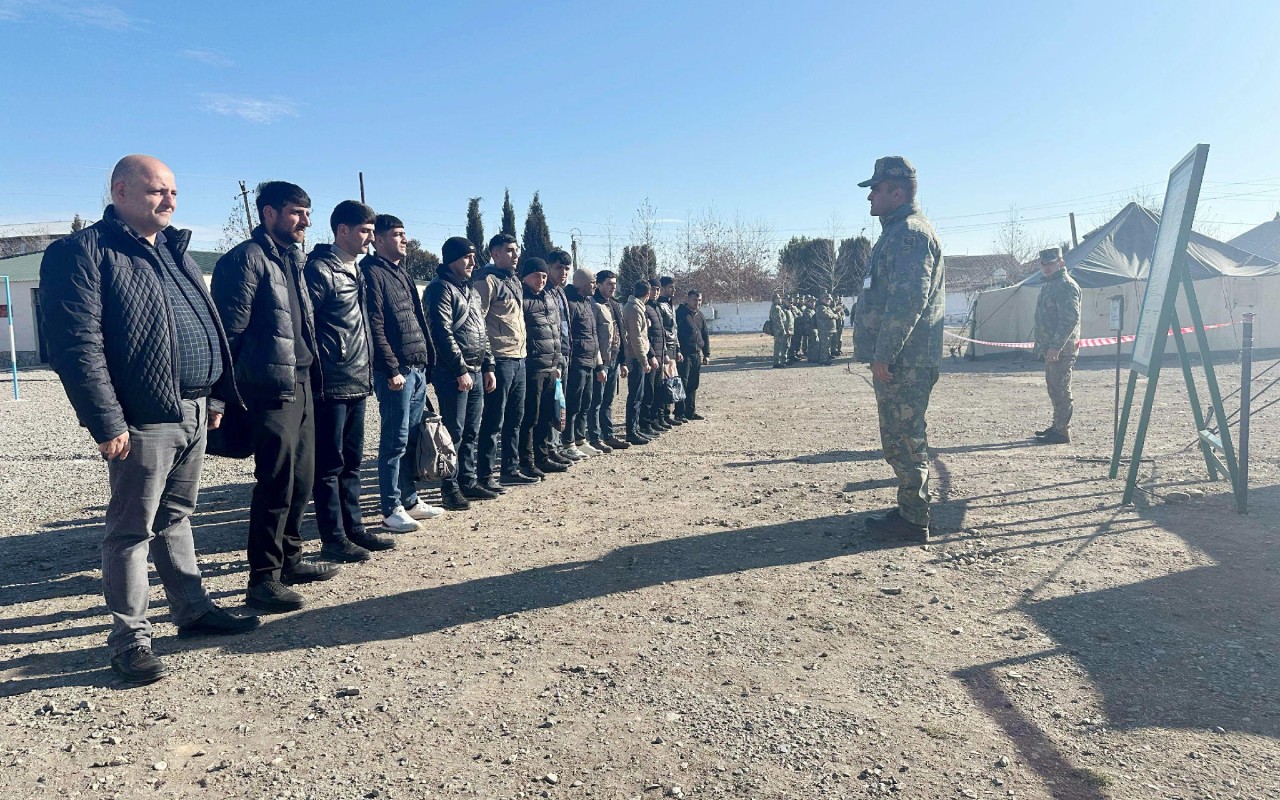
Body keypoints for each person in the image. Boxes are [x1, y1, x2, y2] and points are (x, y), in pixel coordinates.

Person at [41, 155, 258, 684]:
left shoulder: (173, 252)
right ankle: (130, 641)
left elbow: (205, 325)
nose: (170, 201)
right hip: (141, 419)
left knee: (176, 516)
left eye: (174, 193)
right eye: (158, 191)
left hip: (192, 408)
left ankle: (192, 611)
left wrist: (216, 396)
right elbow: (78, 345)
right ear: (120, 190)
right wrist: (106, 421)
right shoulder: (82, 253)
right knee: (130, 531)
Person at [213, 181, 341, 614]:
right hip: (268, 389)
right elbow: (228, 334)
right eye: (296, 212)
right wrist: (221, 397)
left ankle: (291, 559)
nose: (306, 220)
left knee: (302, 477)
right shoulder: (245, 260)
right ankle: (263, 578)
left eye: (308, 212)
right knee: (276, 481)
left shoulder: (292, 259)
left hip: (301, 382)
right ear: (268, 213)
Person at [853, 156, 945, 542]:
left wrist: (885, 352)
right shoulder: (895, 233)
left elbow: (909, 300)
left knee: (905, 439)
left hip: (905, 360)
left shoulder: (910, 235)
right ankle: (910, 510)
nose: (870, 196)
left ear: (898, 191)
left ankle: (913, 520)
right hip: (901, 358)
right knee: (899, 438)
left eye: (876, 188)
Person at [303, 201, 391, 563]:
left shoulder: (356, 270)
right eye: (365, 231)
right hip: (332, 380)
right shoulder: (321, 271)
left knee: (353, 460)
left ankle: (354, 529)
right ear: (342, 230)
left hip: (357, 377)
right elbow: (307, 325)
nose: (371, 238)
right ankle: (334, 537)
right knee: (329, 464)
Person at [362, 214, 443, 533]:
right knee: (394, 440)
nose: (404, 239)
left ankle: (409, 500)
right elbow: (376, 325)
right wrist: (391, 368)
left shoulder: (402, 274)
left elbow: (419, 320)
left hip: (417, 368)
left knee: (411, 437)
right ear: (378, 240)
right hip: (396, 373)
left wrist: (429, 361)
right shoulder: (371, 273)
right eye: (397, 234)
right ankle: (390, 507)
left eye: (404, 234)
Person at [424, 237, 497, 508]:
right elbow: (441, 333)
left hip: (476, 370)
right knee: (453, 431)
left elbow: (482, 331)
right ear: (451, 259)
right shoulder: (440, 289)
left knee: (471, 430)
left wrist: (488, 365)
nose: (473, 262)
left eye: (473, 256)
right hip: (454, 372)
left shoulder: (471, 291)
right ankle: (450, 486)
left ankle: (468, 480)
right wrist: (459, 369)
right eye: (466, 256)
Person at [474, 233, 536, 489]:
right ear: (495, 253)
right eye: (509, 250)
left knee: (515, 418)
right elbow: (479, 323)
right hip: (499, 359)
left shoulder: (514, 281)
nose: (515, 254)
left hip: (519, 357)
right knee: (493, 421)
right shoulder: (486, 281)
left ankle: (510, 469)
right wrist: (488, 362)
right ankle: (485, 475)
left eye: (516, 250)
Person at [518, 257, 564, 476]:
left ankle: (542, 456)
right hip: (532, 366)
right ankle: (526, 462)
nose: (541, 280)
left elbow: (556, 332)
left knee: (546, 414)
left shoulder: (549, 299)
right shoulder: (521, 298)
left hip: (551, 365)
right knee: (530, 417)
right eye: (537, 275)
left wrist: (559, 361)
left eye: (544, 276)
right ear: (526, 276)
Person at [1031, 247, 1081, 444]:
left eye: (1050, 264)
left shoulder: (1065, 285)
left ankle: (1061, 432)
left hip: (1062, 348)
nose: (1046, 268)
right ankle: (1057, 425)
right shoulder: (1051, 285)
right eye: (1043, 265)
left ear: (1060, 263)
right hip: (1051, 348)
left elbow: (1070, 319)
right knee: (1054, 388)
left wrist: (1056, 346)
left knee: (1061, 389)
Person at [561, 269, 608, 456]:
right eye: (592, 282)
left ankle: (581, 440)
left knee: (585, 403)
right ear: (581, 284)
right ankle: (568, 443)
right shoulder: (570, 303)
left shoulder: (587, 303)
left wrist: (598, 364)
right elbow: (567, 334)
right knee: (573, 404)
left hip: (590, 360)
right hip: (576, 362)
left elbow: (593, 335)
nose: (594, 286)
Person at [591, 270, 631, 451]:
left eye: (614, 284)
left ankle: (608, 435)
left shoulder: (615, 305)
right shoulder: (593, 304)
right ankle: (594, 437)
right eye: (609, 284)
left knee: (608, 400)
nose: (612, 287)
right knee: (596, 401)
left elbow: (621, 334)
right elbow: (592, 335)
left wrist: (623, 361)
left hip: (615, 359)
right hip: (601, 361)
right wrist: (599, 363)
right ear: (598, 285)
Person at [544, 249, 577, 464]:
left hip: (565, 353)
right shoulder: (544, 292)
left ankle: (556, 446)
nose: (563, 273)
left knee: (560, 404)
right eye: (559, 268)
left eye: (566, 269)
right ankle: (548, 449)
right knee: (550, 406)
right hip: (551, 357)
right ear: (548, 267)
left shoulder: (560, 292)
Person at [622, 280, 657, 445]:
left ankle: (635, 429)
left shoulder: (636, 307)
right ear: (648, 294)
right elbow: (635, 338)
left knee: (639, 395)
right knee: (635, 396)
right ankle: (632, 431)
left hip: (638, 356)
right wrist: (644, 360)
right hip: (636, 358)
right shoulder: (634, 309)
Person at [675, 289, 711, 421]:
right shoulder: (680, 314)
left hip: (696, 354)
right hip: (684, 354)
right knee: (682, 383)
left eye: (700, 300)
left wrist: (706, 353)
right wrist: (677, 351)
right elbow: (675, 334)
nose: (697, 302)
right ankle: (679, 412)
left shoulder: (700, 315)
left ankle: (690, 411)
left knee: (693, 383)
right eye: (695, 300)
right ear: (688, 299)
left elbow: (705, 335)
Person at [643, 281, 669, 436]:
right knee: (649, 391)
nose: (656, 292)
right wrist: (651, 354)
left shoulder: (657, 307)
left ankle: (658, 418)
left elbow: (662, 334)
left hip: (660, 355)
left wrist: (664, 353)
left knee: (659, 390)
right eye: (653, 289)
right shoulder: (645, 308)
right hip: (651, 356)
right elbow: (647, 336)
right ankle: (647, 423)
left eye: (658, 289)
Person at [656, 276, 683, 426]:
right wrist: (665, 351)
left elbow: (674, 328)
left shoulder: (670, 304)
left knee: (671, 381)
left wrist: (678, 348)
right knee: (664, 382)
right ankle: (662, 415)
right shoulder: (660, 305)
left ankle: (667, 413)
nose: (674, 290)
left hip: (673, 346)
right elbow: (662, 330)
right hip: (665, 348)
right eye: (671, 287)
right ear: (664, 288)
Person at [769, 291, 791, 368]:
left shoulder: (776, 307)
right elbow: (778, 320)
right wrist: (783, 329)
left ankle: (781, 361)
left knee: (781, 345)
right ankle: (777, 362)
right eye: (779, 298)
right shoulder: (776, 308)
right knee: (778, 346)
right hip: (779, 330)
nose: (781, 299)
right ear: (775, 299)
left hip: (778, 329)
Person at [812, 294, 837, 365]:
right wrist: (835, 316)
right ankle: (823, 360)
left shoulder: (827, 307)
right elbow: (827, 315)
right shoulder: (821, 307)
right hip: (824, 329)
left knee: (827, 345)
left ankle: (827, 357)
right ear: (822, 299)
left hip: (829, 329)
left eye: (829, 299)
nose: (828, 301)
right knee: (824, 345)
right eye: (827, 299)